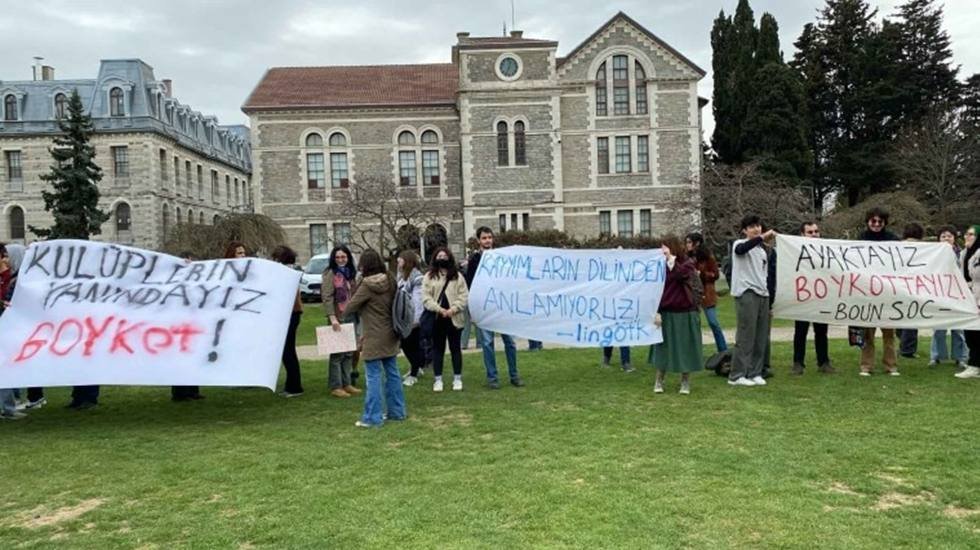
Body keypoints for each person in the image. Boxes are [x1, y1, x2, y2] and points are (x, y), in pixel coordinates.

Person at [344, 249, 406, 427]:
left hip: (373, 334)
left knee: (373, 376)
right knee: (393, 373)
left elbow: (350, 308)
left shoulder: (366, 285)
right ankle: (397, 411)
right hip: (391, 332)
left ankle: (373, 417)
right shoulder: (391, 279)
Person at [465, 227, 525, 389]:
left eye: (490, 237)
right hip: (485, 307)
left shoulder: (502, 257)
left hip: (502, 306)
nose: (487, 241)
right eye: (484, 238)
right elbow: (470, 285)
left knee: (510, 342)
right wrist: (473, 309)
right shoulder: (474, 260)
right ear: (479, 240)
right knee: (487, 343)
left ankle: (514, 375)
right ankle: (492, 377)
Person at [650, 236, 703, 394]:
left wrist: (671, 262)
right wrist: (656, 311)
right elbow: (654, 289)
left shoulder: (686, 264)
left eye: (665, 247)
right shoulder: (659, 267)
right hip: (666, 312)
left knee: (685, 348)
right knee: (662, 348)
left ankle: (685, 381)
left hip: (684, 312)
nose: (663, 251)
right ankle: (659, 379)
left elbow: (680, 275)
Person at [728, 215, 775, 387]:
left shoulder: (762, 251)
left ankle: (755, 371)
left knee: (760, 336)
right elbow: (742, 250)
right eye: (752, 227)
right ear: (744, 230)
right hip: (746, 293)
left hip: (763, 293)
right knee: (746, 335)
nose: (756, 229)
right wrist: (761, 237)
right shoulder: (739, 244)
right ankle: (737, 374)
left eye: (758, 226)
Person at [858, 207, 900, 376]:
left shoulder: (892, 240)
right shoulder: (861, 239)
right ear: (868, 222)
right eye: (873, 221)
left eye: (880, 222)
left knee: (889, 334)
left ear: (884, 223)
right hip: (867, 293)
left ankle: (891, 366)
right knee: (867, 334)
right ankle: (866, 366)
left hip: (887, 293)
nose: (876, 224)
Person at [423, 247, 469, 392]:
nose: (442, 258)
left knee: (455, 348)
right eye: (439, 256)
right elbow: (425, 297)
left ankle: (457, 378)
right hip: (437, 318)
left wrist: (453, 309)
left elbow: (464, 296)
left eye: (445, 256)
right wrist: (439, 309)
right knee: (438, 349)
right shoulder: (429, 276)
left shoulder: (457, 276)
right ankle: (438, 379)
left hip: (454, 318)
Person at [791, 222, 833, 375]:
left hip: (821, 297)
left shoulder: (826, 250)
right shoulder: (794, 251)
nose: (814, 234)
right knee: (800, 331)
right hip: (803, 297)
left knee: (821, 331)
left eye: (816, 231)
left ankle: (823, 362)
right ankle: (798, 363)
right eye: (810, 232)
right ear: (802, 234)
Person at [321, 245, 361, 398]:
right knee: (337, 353)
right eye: (337, 257)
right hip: (338, 317)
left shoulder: (351, 274)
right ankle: (336, 386)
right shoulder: (330, 273)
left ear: (348, 257)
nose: (340, 260)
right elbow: (327, 297)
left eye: (343, 257)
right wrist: (332, 317)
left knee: (349, 352)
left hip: (351, 315)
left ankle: (346, 383)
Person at [930, 226, 968, 368]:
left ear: (954, 238)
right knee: (938, 328)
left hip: (958, 296)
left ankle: (961, 357)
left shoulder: (962, 254)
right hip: (939, 295)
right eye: (943, 236)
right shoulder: (932, 255)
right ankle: (936, 356)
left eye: (949, 236)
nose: (946, 239)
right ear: (939, 239)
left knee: (958, 329)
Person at [171, 250, 205, 402]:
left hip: (193, 326)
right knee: (181, 360)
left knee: (193, 358)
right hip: (180, 327)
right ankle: (180, 393)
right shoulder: (174, 279)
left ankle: (192, 390)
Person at [272, 246, 304, 397]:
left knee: (287, 351)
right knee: (288, 350)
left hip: (291, 314)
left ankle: (294, 386)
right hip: (291, 314)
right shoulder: (290, 272)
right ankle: (292, 385)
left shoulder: (288, 274)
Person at [686, 232, 727, 353]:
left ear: (696, 243)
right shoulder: (687, 258)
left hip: (707, 294)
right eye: (686, 242)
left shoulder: (708, 257)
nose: (687, 245)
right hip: (692, 294)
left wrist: (702, 274)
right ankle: (696, 352)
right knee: (694, 326)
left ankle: (723, 350)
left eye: (689, 242)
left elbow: (716, 274)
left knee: (713, 323)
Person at [0, 243, 27, 419]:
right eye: (3, 256)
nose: (6, 259)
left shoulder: (6, 274)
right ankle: (8, 407)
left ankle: (8, 406)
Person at [396, 250, 427, 387]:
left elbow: (417, 300)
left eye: (400, 260)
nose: (398, 262)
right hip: (404, 318)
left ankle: (414, 374)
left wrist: (415, 320)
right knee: (405, 345)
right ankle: (416, 367)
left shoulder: (417, 278)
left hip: (413, 319)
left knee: (411, 345)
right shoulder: (402, 277)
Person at [954, 225, 980, 379]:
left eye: (971, 234)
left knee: (976, 334)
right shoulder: (964, 253)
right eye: (966, 234)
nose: (967, 237)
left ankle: (975, 365)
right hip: (968, 296)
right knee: (970, 332)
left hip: (978, 296)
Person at [898, 223, 925, 359]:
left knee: (901, 318)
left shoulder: (896, 247)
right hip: (914, 287)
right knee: (912, 319)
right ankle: (907, 349)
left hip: (897, 286)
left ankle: (904, 344)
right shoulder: (924, 249)